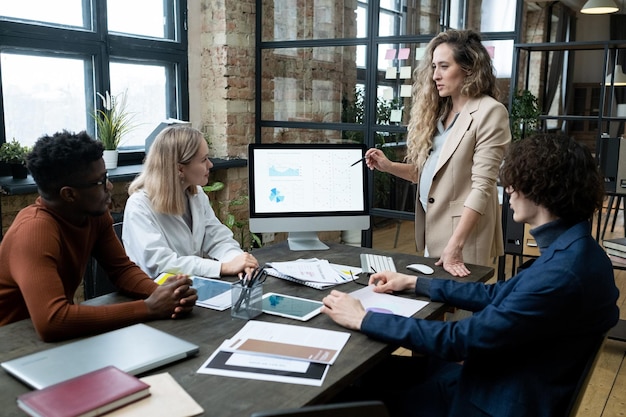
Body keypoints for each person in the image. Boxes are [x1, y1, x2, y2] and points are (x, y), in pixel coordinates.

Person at [321, 133, 619, 417]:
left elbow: (457, 339)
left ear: (540, 188)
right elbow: (496, 295)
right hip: (504, 381)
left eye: (515, 182)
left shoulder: (562, 273)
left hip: (489, 401)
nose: (509, 191)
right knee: (362, 376)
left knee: (342, 391)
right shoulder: (576, 250)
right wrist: (415, 282)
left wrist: (363, 318)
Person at [0, 131, 197, 342]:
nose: (109, 186)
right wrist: (149, 308)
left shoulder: (94, 214)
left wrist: (168, 294)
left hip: (51, 342)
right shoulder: (34, 232)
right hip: (11, 345)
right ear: (69, 194)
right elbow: (53, 319)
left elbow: (122, 271)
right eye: (100, 181)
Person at [365, 29, 510, 277]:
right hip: (433, 230)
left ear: (469, 68)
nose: (435, 76)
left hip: (462, 236)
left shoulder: (490, 112)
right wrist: (387, 166)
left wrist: (455, 244)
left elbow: (482, 188)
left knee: (460, 313)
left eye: (444, 66)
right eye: (433, 67)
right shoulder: (440, 114)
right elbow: (429, 176)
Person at [123, 125, 258, 279]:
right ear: (180, 169)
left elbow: (217, 238)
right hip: (155, 295)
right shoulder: (139, 206)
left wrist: (238, 260)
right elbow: (159, 263)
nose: (210, 165)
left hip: (190, 287)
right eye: (203, 160)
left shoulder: (196, 194)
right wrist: (223, 267)